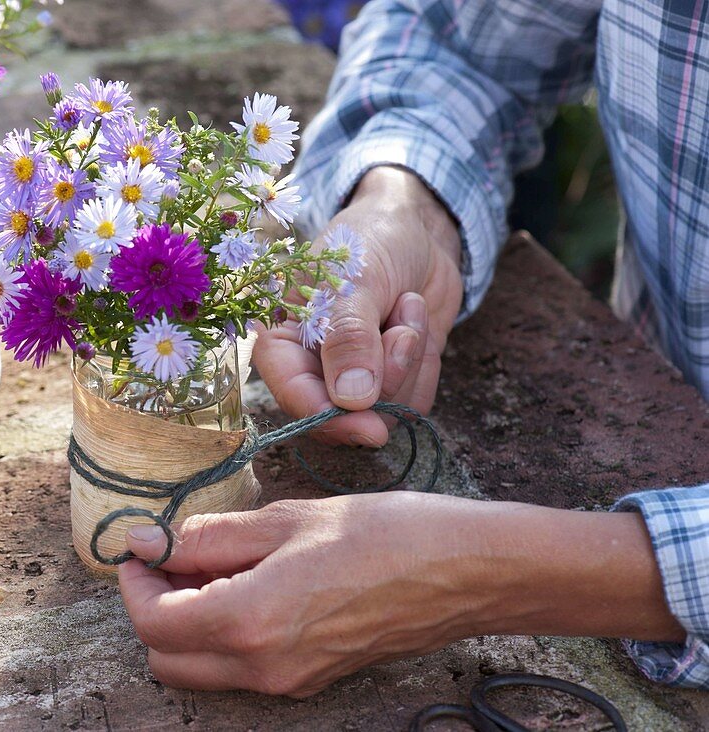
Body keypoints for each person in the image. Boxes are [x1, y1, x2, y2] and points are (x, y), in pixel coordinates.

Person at [116, 0, 709, 697]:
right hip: (659, 404)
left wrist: (488, 573)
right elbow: (455, 43)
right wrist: (406, 204)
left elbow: (487, 572)